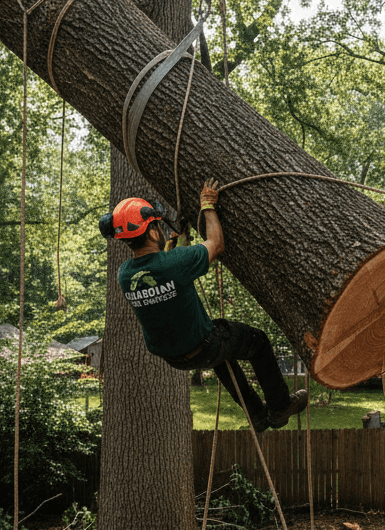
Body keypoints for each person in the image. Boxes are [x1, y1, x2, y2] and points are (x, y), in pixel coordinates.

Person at [99, 179, 307, 431]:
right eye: (157, 227)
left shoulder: (125, 275)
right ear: (153, 233)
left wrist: (174, 242)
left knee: (222, 357)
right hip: (204, 344)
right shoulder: (175, 263)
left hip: (174, 358)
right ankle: (280, 406)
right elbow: (216, 244)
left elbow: (160, 268)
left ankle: (257, 415)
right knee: (258, 342)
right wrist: (208, 205)